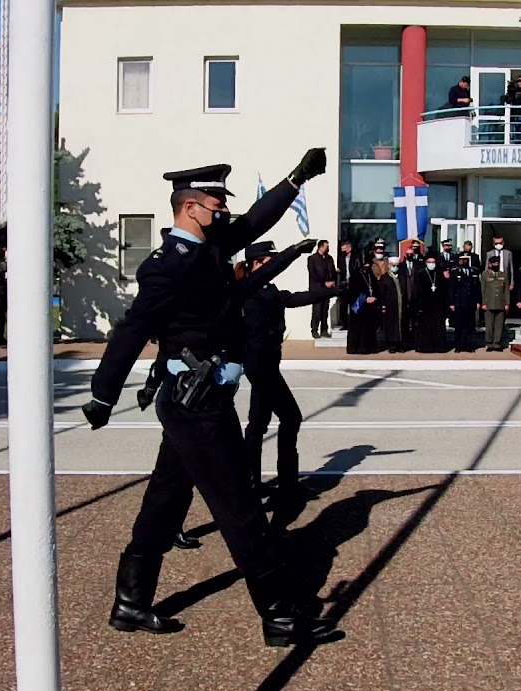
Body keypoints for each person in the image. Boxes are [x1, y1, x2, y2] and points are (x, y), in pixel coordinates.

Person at [80, 152, 342, 647]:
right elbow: (133, 329)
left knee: (164, 500)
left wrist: (296, 179)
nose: (224, 210)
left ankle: (130, 604)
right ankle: (282, 617)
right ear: (191, 208)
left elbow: (255, 220)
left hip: (200, 399)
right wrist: (103, 392)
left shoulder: (211, 247)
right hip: (194, 403)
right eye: (217, 203)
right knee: (239, 507)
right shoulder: (167, 267)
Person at [241, 240, 340, 494]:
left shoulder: (268, 289)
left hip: (268, 365)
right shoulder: (246, 291)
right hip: (260, 365)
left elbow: (295, 299)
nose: (271, 266)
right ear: (254, 264)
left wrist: (334, 291)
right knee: (290, 417)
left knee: (258, 424)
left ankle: (251, 482)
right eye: (266, 262)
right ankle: (286, 483)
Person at [413, 252, 450, 353]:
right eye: (429, 262)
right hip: (425, 305)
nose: (431, 264)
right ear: (426, 263)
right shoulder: (420, 274)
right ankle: (425, 347)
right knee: (425, 327)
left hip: (438, 305)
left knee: (438, 327)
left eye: (433, 262)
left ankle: (439, 347)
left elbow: (444, 290)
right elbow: (417, 290)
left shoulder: (439, 274)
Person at [345, 257, 381, 354]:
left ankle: (369, 348)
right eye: (365, 264)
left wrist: (375, 298)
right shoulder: (355, 277)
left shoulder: (371, 276)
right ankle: (356, 348)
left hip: (370, 308)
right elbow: (352, 294)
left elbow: (375, 289)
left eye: (368, 264)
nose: (367, 266)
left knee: (369, 328)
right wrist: (365, 299)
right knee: (358, 328)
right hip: (358, 307)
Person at [448, 252, 480, 352]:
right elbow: (451, 289)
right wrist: (452, 303)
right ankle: (458, 345)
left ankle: (468, 345)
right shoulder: (455, 272)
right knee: (459, 326)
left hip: (470, 302)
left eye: (466, 260)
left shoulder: (474, 271)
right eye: (462, 260)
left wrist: (478, 301)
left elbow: (477, 288)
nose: (464, 261)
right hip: (459, 302)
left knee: (469, 326)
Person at [306, 239, 337, 338]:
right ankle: (314, 329)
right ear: (321, 247)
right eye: (326, 246)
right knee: (317, 310)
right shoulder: (312, 259)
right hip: (317, 288)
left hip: (327, 289)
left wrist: (333, 281)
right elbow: (313, 273)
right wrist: (324, 283)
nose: (328, 248)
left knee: (325, 309)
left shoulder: (329, 259)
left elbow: (332, 271)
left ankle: (324, 330)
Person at [480, 254, 510, 351]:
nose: (496, 264)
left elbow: (506, 290)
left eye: (497, 263)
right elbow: (482, 290)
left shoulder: (503, 275)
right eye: (494, 263)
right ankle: (489, 343)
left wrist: (507, 303)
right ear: (490, 264)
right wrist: (483, 303)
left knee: (499, 325)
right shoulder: (485, 274)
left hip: (500, 303)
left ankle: (497, 343)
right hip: (489, 303)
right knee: (489, 325)